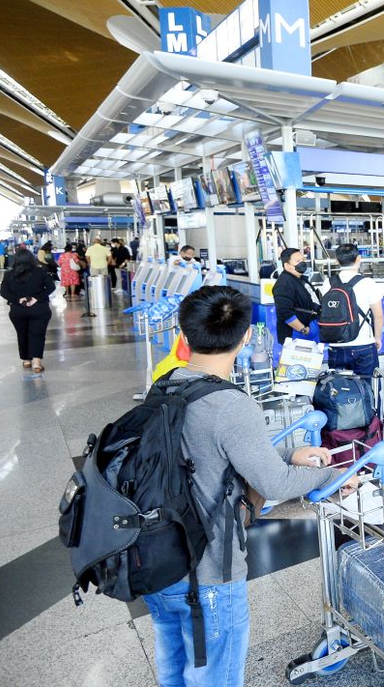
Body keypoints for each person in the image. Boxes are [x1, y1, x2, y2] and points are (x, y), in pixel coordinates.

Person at [146, 286, 354, 687]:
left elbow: (209, 456)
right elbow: (271, 483)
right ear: (245, 339)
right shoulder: (229, 404)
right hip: (207, 570)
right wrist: (331, 474)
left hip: (159, 558)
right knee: (217, 677)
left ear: (184, 336)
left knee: (173, 669)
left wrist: (288, 452)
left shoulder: (167, 383)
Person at [325, 243, 384, 376]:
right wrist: (377, 338)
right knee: (368, 386)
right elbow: (378, 315)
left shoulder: (327, 283)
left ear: (336, 260)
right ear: (358, 259)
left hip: (335, 346)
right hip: (363, 344)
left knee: (339, 387)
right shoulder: (368, 283)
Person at [0, 248, 55, 374]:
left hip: (18, 310)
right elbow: (51, 287)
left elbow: (4, 292)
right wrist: (37, 298)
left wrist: (18, 300)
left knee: (22, 334)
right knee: (38, 334)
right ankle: (36, 362)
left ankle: (26, 360)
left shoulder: (9, 274)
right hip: (39, 308)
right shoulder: (40, 271)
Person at [272, 247, 320, 343]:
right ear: (287, 266)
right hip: (297, 335)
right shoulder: (284, 284)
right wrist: (304, 330)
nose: (302, 263)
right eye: (298, 261)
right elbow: (284, 312)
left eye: (303, 260)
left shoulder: (300, 278)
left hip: (310, 329)